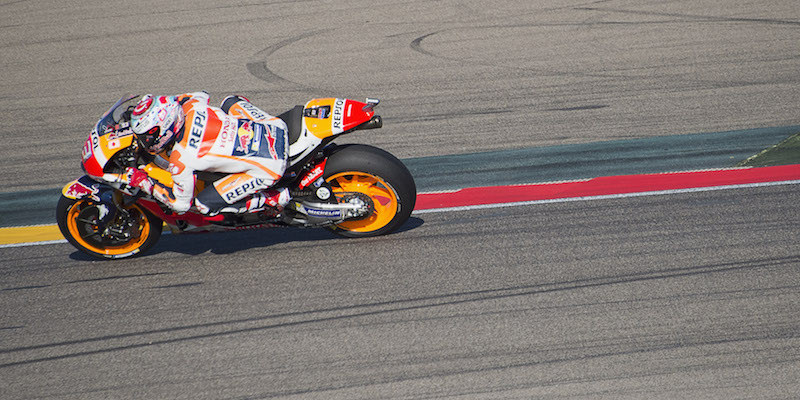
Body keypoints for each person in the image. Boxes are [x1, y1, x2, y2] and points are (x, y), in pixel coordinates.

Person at [124, 91, 291, 216]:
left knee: (204, 205)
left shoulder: (180, 159)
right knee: (230, 101)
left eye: (148, 136)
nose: (145, 141)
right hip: (274, 127)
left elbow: (181, 205)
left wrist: (144, 182)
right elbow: (200, 94)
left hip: (268, 167)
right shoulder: (192, 106)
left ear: (165, 126)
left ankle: (271, 199)